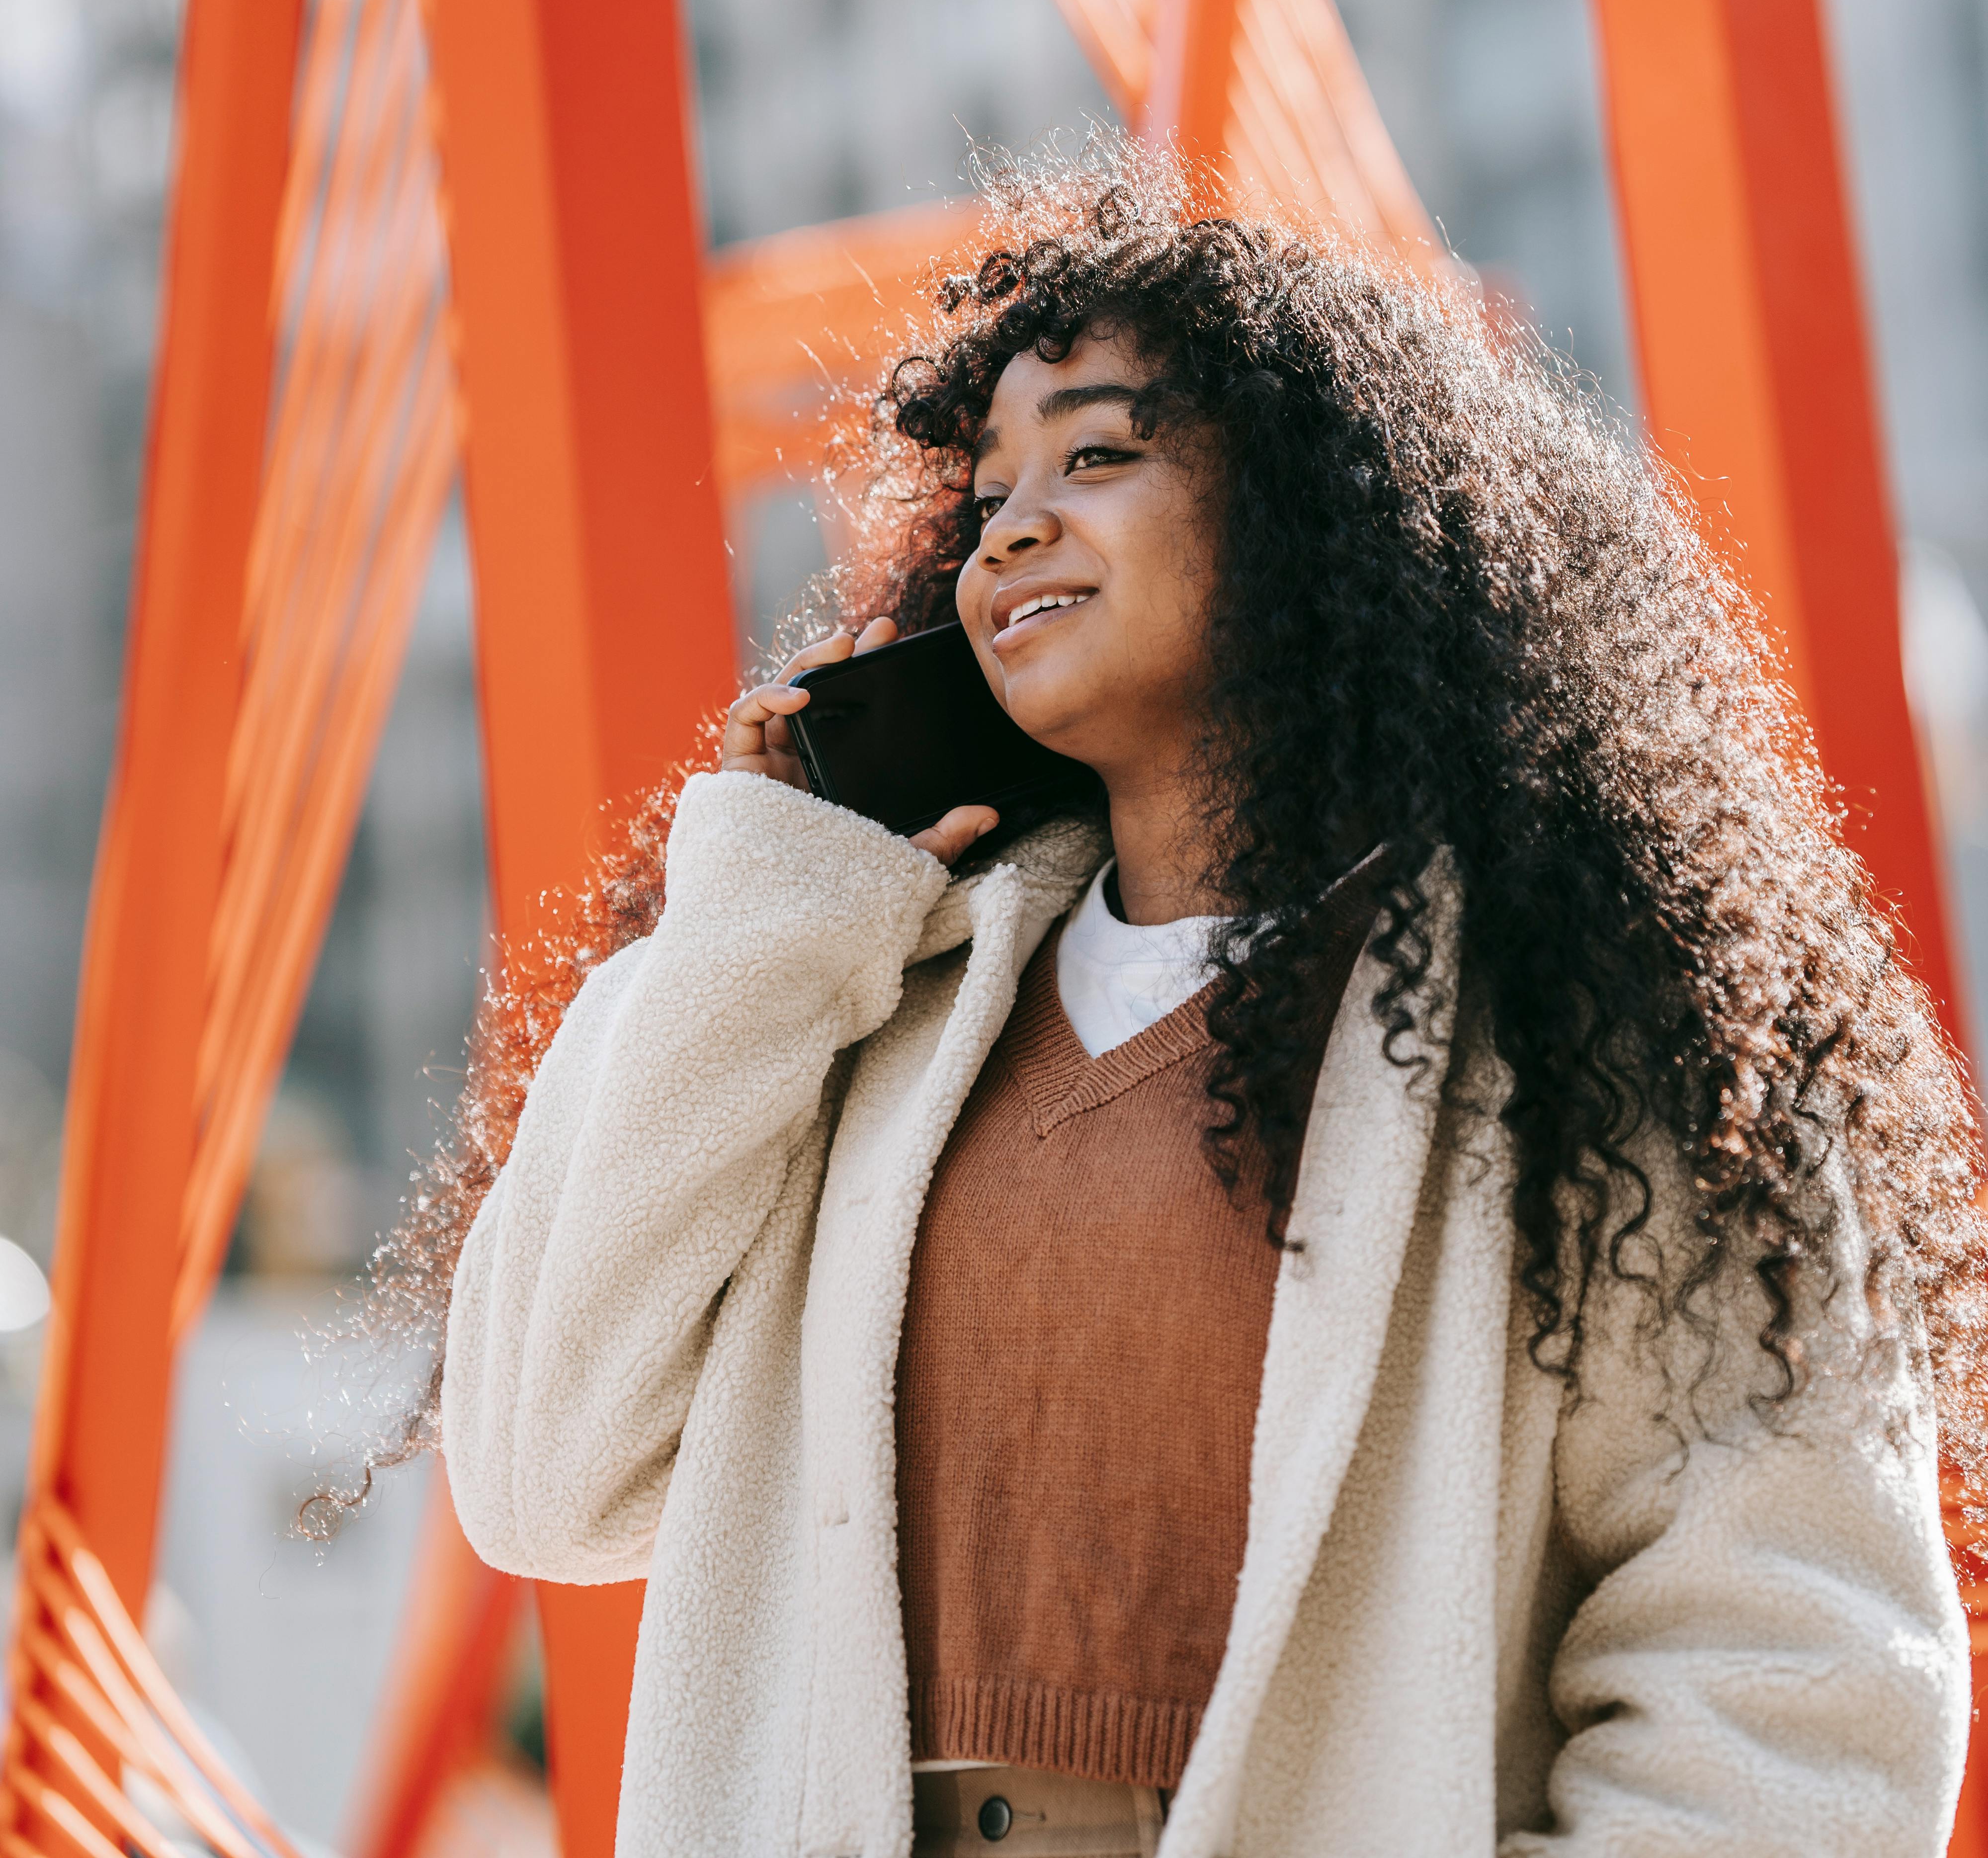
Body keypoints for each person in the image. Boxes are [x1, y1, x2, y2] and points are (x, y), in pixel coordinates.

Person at [425, 164, 1982, 1858]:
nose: (1012, 525)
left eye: (1098, 455)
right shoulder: (865, 1002)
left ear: (1319, 520)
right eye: (990, 485)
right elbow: (542, 1473)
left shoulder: (1589, 1024)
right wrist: (765, 911)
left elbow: (1796, 1673)